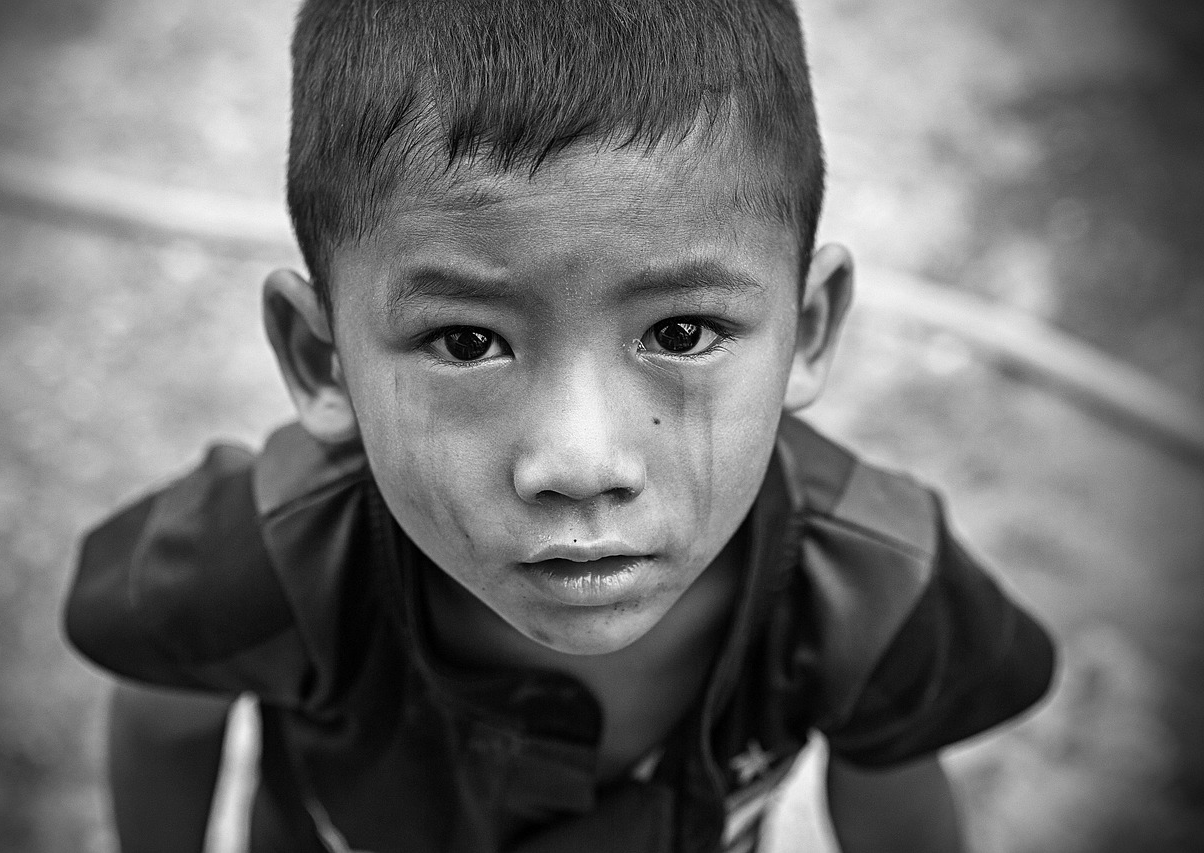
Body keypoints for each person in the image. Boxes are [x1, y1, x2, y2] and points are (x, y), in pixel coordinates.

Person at [64, 1, 1056, 851]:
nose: (579, 463)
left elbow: (893, 804)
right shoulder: (265, 559)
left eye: (680, 329)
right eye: (463, 341)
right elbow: (163, 715)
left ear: (806, 329)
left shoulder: (869, 590)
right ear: (321, 359)